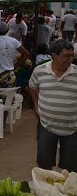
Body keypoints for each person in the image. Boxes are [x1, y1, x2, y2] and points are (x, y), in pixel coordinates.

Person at [29, 39, 77, 172]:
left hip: (72, 128)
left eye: (72, 55)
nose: (70, 59)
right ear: (54, 56)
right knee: (44, 165)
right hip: (46, 125)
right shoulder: (40, 71)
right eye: (66, 56)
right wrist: (36, 105)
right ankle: (45, 190)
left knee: (71, 168)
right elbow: (32, 87)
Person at [0, 22, 30, 90]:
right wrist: (16, 66)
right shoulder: (14, 41)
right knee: (9, 98)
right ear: (7, 30)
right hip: (10, 74)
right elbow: (26, 54)